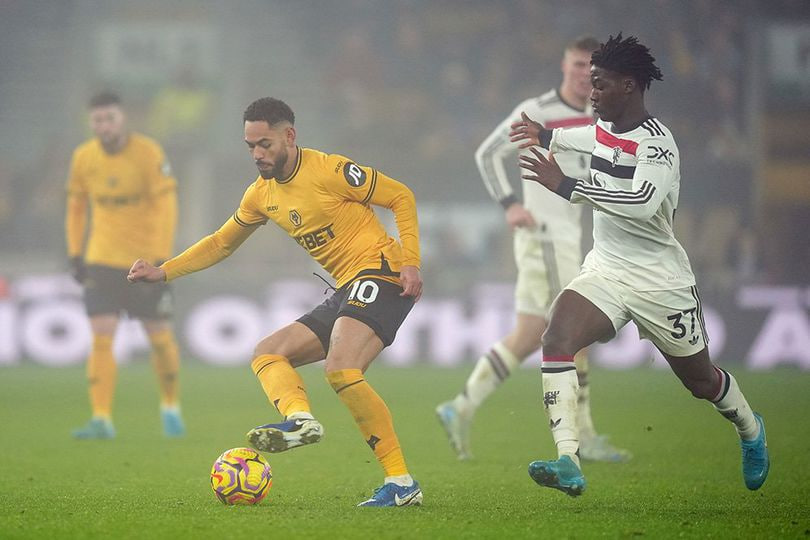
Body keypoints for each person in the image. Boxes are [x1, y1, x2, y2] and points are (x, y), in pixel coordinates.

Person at [127, 97, 424, 508]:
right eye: (250, 146)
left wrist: (410, 261)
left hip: (382, 271)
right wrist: (164, 271)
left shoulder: (330, 169)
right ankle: (301, 421)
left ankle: (402, 484)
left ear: (290, 136)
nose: (257, 154)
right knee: (268, 352)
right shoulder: (260, 195)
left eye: (265, 144)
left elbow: (401, 196)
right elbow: (221, 243)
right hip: (347, 285)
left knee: (341, 368)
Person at [510, 34, 769, 495]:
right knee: (557, 337)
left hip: (659, 280)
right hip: (607, 269)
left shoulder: (659, 145)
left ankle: (751, 429)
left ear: (629, 86)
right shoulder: (604, 126)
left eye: (600, 85)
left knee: (701, 381)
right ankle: (568, 458)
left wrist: (568, 185)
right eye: (591, 84)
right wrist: (545, 134)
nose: (592, 94)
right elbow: (586, 136)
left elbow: (641, 205)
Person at [436, 36, 630, 463]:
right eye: (578, 65)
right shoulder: (539, 112)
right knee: (575, 332)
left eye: (592, 68)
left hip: (565, 238)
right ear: (565, 66)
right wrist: (509, 205)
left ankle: (459, 407)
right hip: (546, 237)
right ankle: (585, 437)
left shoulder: (601, 119)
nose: (584, 74)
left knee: (526, 335)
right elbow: (488, 154)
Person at [66, 91, 184, 439]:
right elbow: (76, 208)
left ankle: (170, 407)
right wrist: (76, 253)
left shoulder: (149, 153)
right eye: (98, 120)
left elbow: (167, 205)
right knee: (101, 337)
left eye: (110, 119)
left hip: (145, 261)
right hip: (101, 259)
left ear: (123, 119)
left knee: (159, 338)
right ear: (92, 124)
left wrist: (162, 255)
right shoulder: (83, 158)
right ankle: (101, 419)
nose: (104, 126)